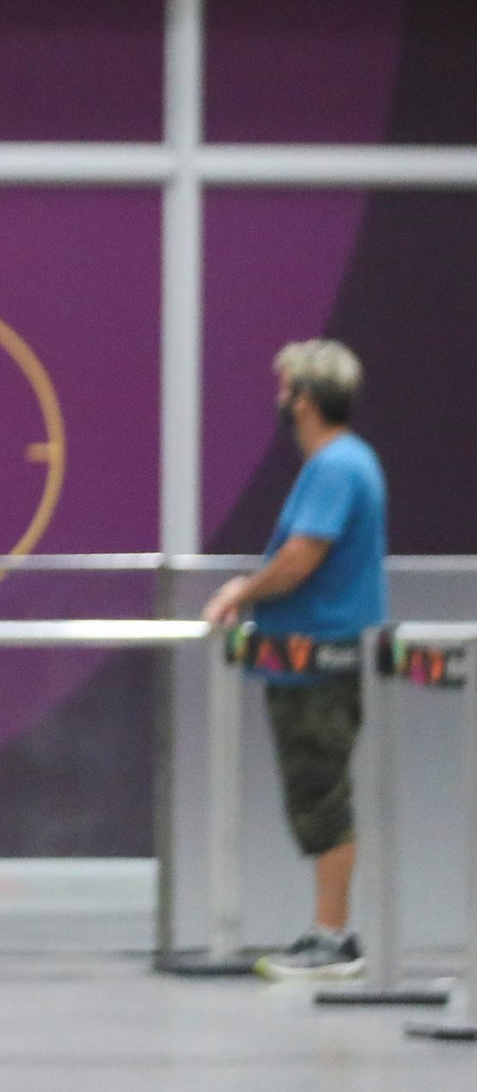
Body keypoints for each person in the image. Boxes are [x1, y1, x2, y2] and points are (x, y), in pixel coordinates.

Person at [202, 338, 389, 983]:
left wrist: (240, 592)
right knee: (317, 794)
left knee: (322, 795)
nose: (279, 402)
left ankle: (333, 938)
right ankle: (329, 931)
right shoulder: (345, 463)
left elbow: (302, 556)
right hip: (311, 660)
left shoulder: (335, 467)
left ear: (305, 400)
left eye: (285, 391)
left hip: (319, 663)